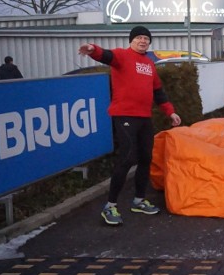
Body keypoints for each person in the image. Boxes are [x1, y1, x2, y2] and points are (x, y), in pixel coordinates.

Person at [78, 26, 182, 226]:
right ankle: (110, 206)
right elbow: (106, 56)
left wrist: (171, 111)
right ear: (131, 40)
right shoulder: (122, 56)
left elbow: (159, 92)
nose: (143, 41)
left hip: (144, 117)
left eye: (146, 38)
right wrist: (92, 48)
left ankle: (138, 200)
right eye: (139, 38)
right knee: (127, 158)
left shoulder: (149, 64)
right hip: (124, 115)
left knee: (146, 158)